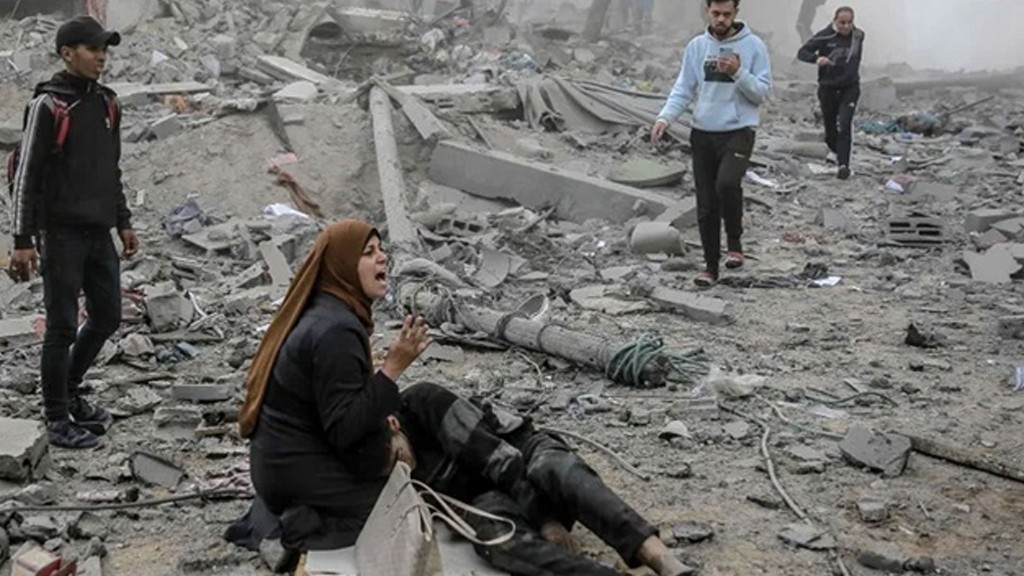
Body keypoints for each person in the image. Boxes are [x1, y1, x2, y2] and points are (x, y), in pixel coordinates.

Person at [346, 382, 696, 576]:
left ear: (393, 424)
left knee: (554, 470)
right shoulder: (386, 466)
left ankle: (658, 556)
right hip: (491, 497)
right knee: (494, 540)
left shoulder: (424, 402)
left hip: (524, 455)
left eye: (399, 457)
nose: (403, 468)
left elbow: (502, 461)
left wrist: (547, 521)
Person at [236, 220, 431, 553]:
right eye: (368, 252)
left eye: (381, 249)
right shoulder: (335, 330)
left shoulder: (327, 310)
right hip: (295, 470)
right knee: (401, 505)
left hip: (279, 462)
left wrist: (379, 405)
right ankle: (297, 526)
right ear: (342, 264)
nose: (382, 257)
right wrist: (392, 369)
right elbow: (343, 429)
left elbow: (332, 403)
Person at [8, 16, 139, 449]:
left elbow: (111, 170)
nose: (102, 57)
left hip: (98, 231)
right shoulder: (48, 106)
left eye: (105, 49)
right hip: (60, 234)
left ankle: (69, 391)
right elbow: (26, 176)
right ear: (67, 53)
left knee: (107, 316)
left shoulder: (108, 103)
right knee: (62, 326)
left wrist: (123, 220)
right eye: (93, 49)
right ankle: (56, 417)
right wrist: (22, 240)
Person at [651, 0, 772, 288]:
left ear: (736, 13)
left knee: (727, 184)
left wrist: (738, 72)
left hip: (739, 131)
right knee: (706, 204)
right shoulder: (697, 47)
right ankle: (710, 268)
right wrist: (665, 118)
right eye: (715, 13)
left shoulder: (754, 46)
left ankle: (734, 243)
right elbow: (684, 88)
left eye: (726, 14)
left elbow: (763, 93)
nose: (720, 19)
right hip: (703, 132)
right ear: (707, 11)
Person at [797, 6, 864, 180]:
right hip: (828, 87)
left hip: (850, 87)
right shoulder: (825, 36)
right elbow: (802, 53)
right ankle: (834, 151)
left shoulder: (858, 36)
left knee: (844, 124)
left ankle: (844, 165)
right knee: (830, 126)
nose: (846, 27)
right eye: (842, 23)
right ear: (835, 21)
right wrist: (816, 59)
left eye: (849, 22)